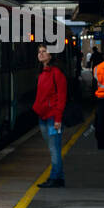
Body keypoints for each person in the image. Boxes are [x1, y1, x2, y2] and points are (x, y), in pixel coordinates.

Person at [34, 44, 67, 187]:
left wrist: (58, 119)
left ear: (51, 55)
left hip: (53, 117)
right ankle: (58, 177)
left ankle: (55, 178)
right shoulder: (42, 72)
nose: (41, 54)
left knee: (54, 148)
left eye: (44, 52)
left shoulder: (56, 73)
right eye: (39, 52)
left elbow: (62, 97)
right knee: (53, 148)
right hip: (43, 116)